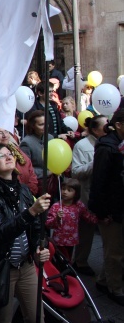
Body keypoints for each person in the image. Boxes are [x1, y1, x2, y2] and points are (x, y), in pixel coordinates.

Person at [0, 143, 51, 323]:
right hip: (2, 268)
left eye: (10, 154)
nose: (9, 157)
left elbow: (37, 228)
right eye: (1, 156)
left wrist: (40, 248)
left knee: (37, 317)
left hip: (26, 265)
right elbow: (2, 230)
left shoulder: (23, 189)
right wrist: (31, 211)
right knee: (3, 319)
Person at [89, 109, 124, 306]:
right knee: (114, 252)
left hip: (117, 206)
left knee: (115, 248)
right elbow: (99, 182)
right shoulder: (107, 148)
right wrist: (102, 212)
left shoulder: (117, 144)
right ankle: (115, 289)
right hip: (110, 210)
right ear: (118, 125)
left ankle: (104, 281)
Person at [71, 114, 108, 276]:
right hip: (87, 195)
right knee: (86, 232)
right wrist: (95, 162)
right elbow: (76, 171)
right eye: (104, 126)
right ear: (94, 129)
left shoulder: (112, 144)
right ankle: (80, 261)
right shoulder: (82, 145)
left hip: (105, 196)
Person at [45, 178, 98, 260]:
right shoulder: (56, 206)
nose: (65, 192)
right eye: (63, 189)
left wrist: (100, 220)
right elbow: (48, 224)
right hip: (59, 240)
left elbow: (88, 217)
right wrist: (57, 218)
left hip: (71, 241)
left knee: (68, 259)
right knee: (58, 260)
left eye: (69, 190)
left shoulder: (79, 205)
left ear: (76, 193)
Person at [0, 126, 38, 195]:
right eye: (0, 133)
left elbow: (30, 170)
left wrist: (27, 193)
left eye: (6, 131)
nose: (4, 135)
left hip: (27, 195)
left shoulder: (16, 150)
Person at [20, 110, 56, 195]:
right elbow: (26, 169)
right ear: (33, 126)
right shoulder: (26, 143)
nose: (45, 127)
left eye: (45, 124)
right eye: (41, 125)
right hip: (39, 184)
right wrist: (47, 173)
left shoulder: (50, 138)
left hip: (54, 181)